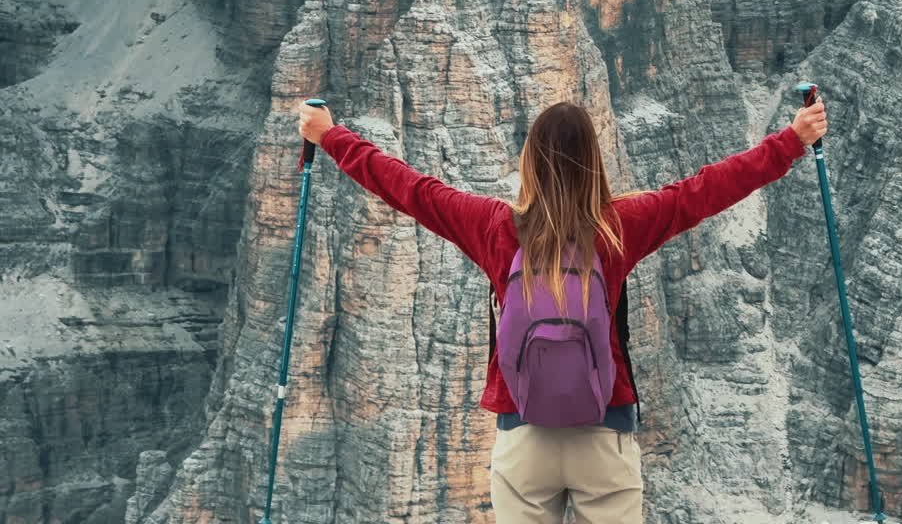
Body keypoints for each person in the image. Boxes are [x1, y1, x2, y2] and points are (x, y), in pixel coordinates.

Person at [298, 96, 827, 523]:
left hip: (523, 433)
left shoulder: (494, 226)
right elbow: (706, 190)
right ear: (595, 159)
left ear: (529, 159)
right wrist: (792, 141)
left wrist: (330, 135)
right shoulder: (620, 226)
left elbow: (410, 188)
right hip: (604, 429)